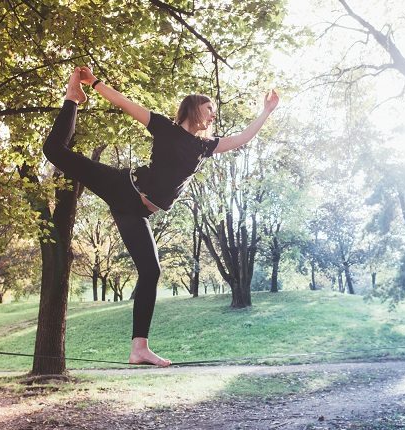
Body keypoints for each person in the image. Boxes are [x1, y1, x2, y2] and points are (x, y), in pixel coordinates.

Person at [43, 66, 279, 366]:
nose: (213, 116)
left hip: (137, 211)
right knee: (54, 150)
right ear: (193, 108)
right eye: (209, 109)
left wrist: (266, 111)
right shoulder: (164, 127)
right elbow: (124, 103)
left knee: (151, 272)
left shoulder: (204, 146)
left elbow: (241, 138)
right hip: (123, 188)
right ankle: (72, 97)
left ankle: (138, 348)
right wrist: (96, 83)